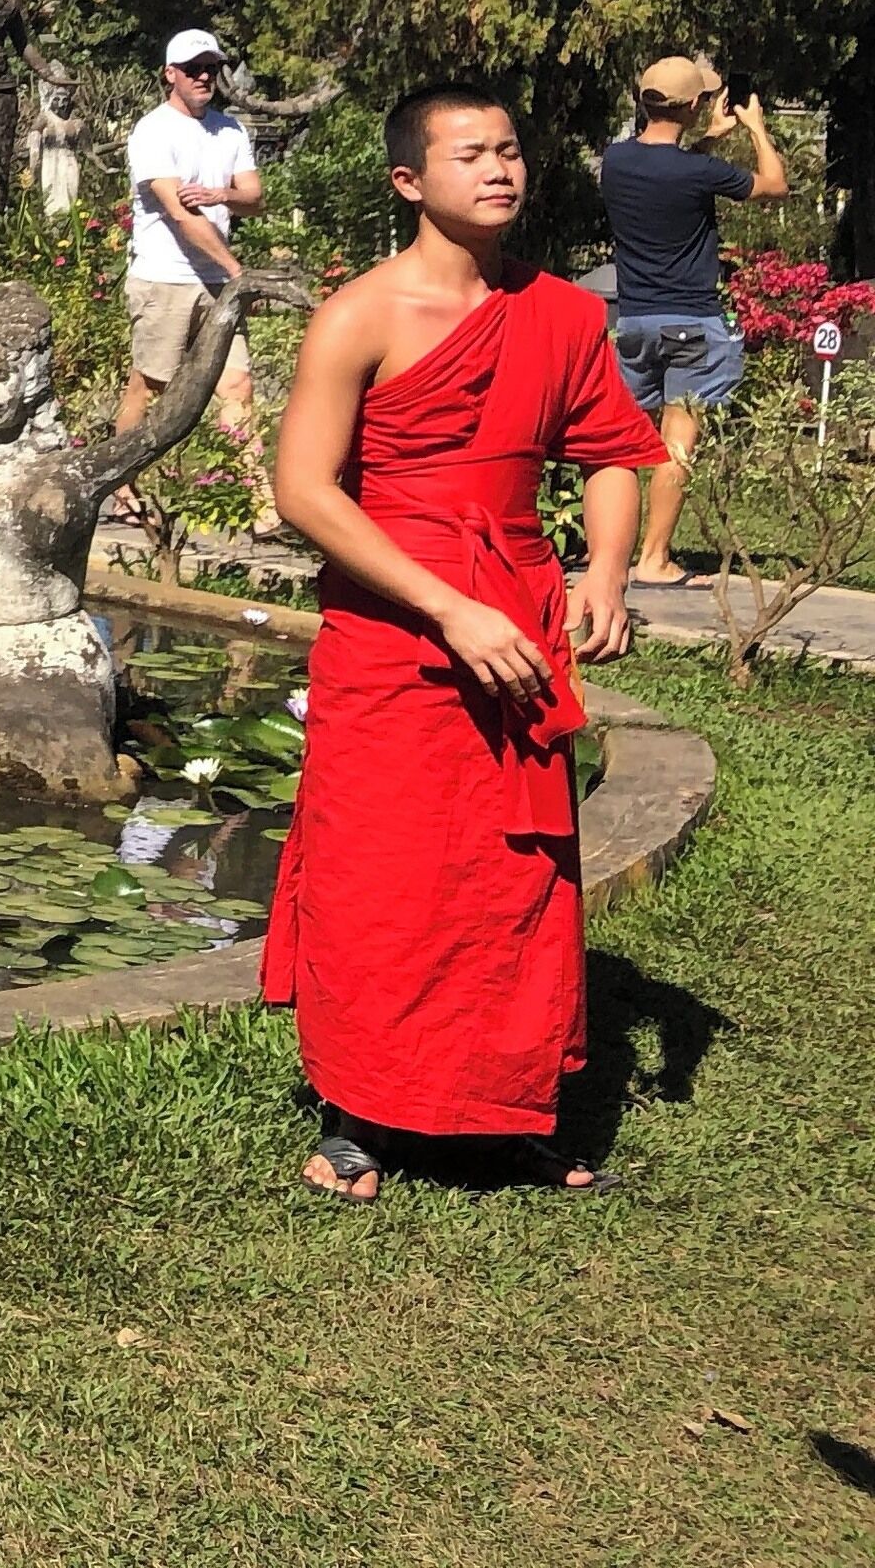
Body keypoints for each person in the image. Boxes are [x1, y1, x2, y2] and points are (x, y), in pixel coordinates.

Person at [265, 83, 662, 1201]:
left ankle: (501, 1103)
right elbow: (303, 489)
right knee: (381, 871)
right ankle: (362, 1115)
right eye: (470, 154)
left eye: (511, 150)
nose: (500, 169)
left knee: (513, 875)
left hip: (522, 613)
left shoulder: (564, 315)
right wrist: (446, 605)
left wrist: (605, 569)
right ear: (409, 180)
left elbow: (616, 451)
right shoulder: (362, 313)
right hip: (395, 628)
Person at [601, 54, 786, 586]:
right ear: (692, 105)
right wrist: (754, 130)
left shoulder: (616, 161)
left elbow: (668, 173)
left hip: (635, 321)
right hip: (692, 321)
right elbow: (773, 185)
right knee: (676, 444)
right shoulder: (698, 171)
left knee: (619, 443)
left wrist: (706, 139)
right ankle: (654, 558)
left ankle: (607, 553)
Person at [119, 27, 272, 519]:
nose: (205, 76)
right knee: (152, 386)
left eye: (211, 67)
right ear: (171, 75)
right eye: (193, 69)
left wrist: (221, 195)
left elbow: (254, 197)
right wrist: (237, 272)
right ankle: (121, 483)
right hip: (165, 278)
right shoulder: (153, 131)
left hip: (218, 282)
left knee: (237, 387)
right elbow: (179, 215)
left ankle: (258, 503)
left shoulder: (230, 130)